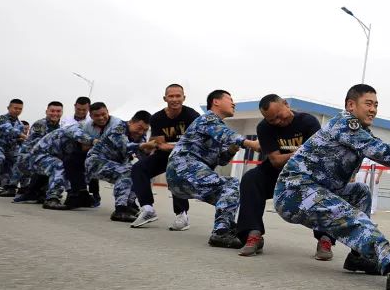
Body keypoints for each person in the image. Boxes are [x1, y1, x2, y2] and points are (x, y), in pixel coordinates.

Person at [273, 83, 390, 290]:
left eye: (376, 105)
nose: (373, 110)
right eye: (368, 104)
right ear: (351, 105)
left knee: (360, 192)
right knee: (354, 219)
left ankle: (358, 257)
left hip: (316, 188)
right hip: (294, 192)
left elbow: (383, 151)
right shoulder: (345, 124)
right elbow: (381, 150)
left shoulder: (359, 131)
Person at [236, 95, 330, 258]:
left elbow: (316, 156)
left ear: (286, 105)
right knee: (251, 179)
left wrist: (294, 155)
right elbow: (276, 161)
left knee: (326, 184)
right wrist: (300, 152)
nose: (278, 122)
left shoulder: (308, 122)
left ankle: (325, 238)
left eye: (279, 116)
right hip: (277, 173)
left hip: (307, 173)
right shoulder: (264, 128)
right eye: (272, 120)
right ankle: (253, 234)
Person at [166, 89, 260, 248]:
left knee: (229, 194)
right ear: (216, 101)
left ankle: (226, 228)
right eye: (229, 99)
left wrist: (229, 151)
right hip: (184, 167)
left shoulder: (215, 126)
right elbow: (226, 134)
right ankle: (221, 233)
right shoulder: (207, 119)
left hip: (184, 177)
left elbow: (221, 161)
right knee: (231, 184)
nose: (233, 103)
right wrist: (250, 143)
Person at [129, 85, 197, 230]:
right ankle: (147, 209)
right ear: (165, 98)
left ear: (184, 98)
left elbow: (195, 144)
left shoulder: (192, 116)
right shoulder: (157, 118)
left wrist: (171, 145)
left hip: (184, 157)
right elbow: (161, 145)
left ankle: (182, 215)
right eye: (171, 96)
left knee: (175, 170)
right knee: (138, 168)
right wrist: (174, 145)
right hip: (163, 155)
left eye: (178, 96)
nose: (174, 99)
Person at [34, 104, 110, 209]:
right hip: (40, 156)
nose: (101, 119)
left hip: (57, 156)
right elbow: (78, 135)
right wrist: (93, 141)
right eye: (97, 116)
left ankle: (78, 196)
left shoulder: (99, 130)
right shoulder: (78, 127)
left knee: (82, 164)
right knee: (60, 165)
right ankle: (52, 199)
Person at [87, 110, 155, 222]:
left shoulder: (139, 136)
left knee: (142, 172)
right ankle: (120, 210)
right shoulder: (118, 128)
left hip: (117, 164)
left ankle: (130, 203)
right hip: (96, 162)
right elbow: (125, 146)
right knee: (127, 172)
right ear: (131, 122)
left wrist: (150, 153)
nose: (141, 132)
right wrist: (143, 146)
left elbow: (142, 155)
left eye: (145, 130)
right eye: (139, 128)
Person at [12, 101, 64, 202]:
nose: (55, 113)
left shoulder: (59, 127)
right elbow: (39, 147)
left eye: (58, 111)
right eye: (52, 111)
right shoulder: (40, 124)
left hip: (41, 157)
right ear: (46, 111)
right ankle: (52, 197)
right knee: (57, 164)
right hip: (28, 159)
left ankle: (37, 192)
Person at [60, 96, 102, 207]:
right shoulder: (66, 120)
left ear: (89, 109)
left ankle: (94, 194)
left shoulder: (92, 120)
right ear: (75, 106)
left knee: (92, 170)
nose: (81, 112)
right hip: (71, 149)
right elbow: (70, 133)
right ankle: (74, 193)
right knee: (70, 167)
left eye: (84, 110)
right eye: (79, 109)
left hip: (89, 149)